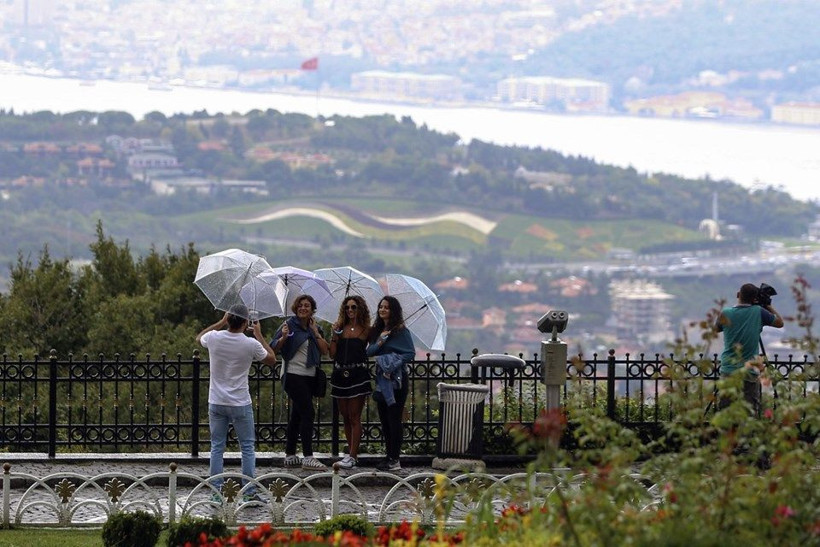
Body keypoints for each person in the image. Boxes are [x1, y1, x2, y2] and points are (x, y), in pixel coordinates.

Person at [196, 304, 277, 501]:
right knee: (247, 447)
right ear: (245, 322)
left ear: (229, 319)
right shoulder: (250, 344)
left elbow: (199, 338)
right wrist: (258, 334)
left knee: (217, 447)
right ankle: (249, 492)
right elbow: (272, 359)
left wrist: (220, 322)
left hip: (216, 400)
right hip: (240, 402)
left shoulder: (214, 338)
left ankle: (216, 492)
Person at [271, 294, 330, 471]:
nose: (303, 308)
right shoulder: (288, 325)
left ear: (312, 310)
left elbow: (325, 351)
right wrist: (283, 337)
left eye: (307, 306)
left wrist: (316, 333)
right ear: (296, 308)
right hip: (292, 374)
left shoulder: (316, 328)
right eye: (300, 305)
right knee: (308, 412)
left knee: (297, 414)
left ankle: (290, 454)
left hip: (309, 375)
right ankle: (308, 457)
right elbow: (273, 348)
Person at [715, 282, 784, 416]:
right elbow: (780, 323)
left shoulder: (725, 313)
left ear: (738, 295)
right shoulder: (758, 312)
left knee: (725, 413)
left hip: (728, 369)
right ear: (754, 299)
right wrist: (767, 305)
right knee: (749, 413)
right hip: (749, 372)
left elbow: (716, 329)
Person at [366, 296, 415, 471]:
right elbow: (370, 351)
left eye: (386, 307)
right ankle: (389, 456)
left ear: (393, 310)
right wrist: (381, 340)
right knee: (384, 419)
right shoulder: (378, 330)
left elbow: (410, 353)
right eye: (381, 307)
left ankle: (395, 459)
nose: (383, 310)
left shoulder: (401, 331)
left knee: (394, 419)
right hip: (382, 380)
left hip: (397, 380)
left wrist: (392, 362)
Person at [328, 295, 372, 469]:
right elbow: (332, 354)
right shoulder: (340, 328)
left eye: (353, 307)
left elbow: (373, 349)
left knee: (355, 416)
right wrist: (334, 335)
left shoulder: (366, 330)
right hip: (340, 374)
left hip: (358, 374)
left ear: (360, 309)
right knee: (345, 416)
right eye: (347, 307)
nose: (350, 310)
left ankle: (353, 455)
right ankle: (349, 454)